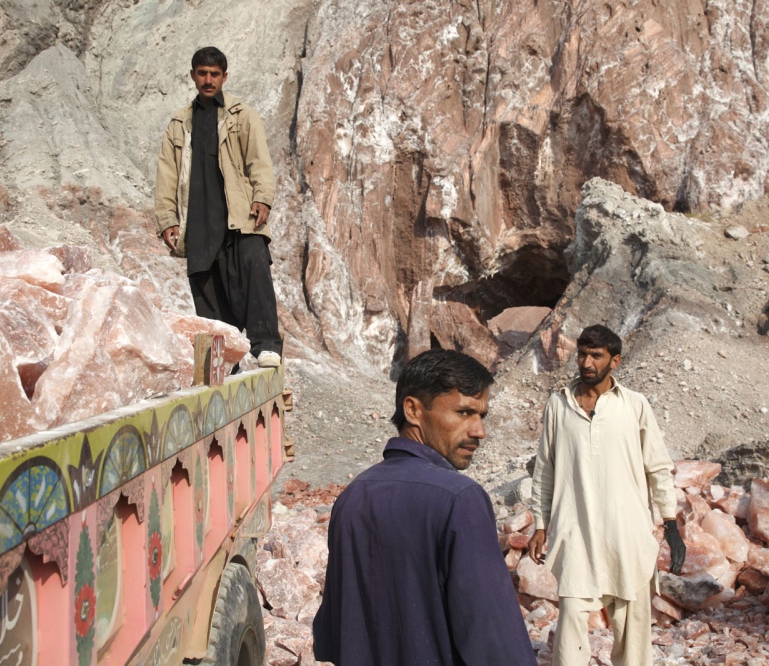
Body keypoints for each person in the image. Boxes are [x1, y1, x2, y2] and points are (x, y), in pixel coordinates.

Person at [313, 349, 537, 665]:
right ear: (413, 410)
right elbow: (495, 640)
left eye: (481, 416)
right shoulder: (459, 499)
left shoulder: (353, 496)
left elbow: (328, 637)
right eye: (463, 413)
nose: (479, 431)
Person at [527, 324, 686, 666]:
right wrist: (540, 524)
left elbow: (658, 467)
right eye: (582, 354)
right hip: (576, 531)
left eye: (596, 356)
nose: (586, 362)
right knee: (570, 626)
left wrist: (671, 525)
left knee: (633, 631)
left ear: (615, 361)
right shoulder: (558, 405)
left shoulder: (635, 405)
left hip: (626, 534)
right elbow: (545, 470)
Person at [154, 46, 283, 367]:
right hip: (198, 219)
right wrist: (167, 218)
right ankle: (222, 362)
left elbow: (259, 161)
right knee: (207, 290)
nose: (208, 80)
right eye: (202, 73)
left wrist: (263, 197)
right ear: (193, 75)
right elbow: (166, 174)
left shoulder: (243, 116)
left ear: (225, 76)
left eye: (214, 74)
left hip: (240, 215)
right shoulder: (178, 124)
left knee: (254, 268)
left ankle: (266, 344)